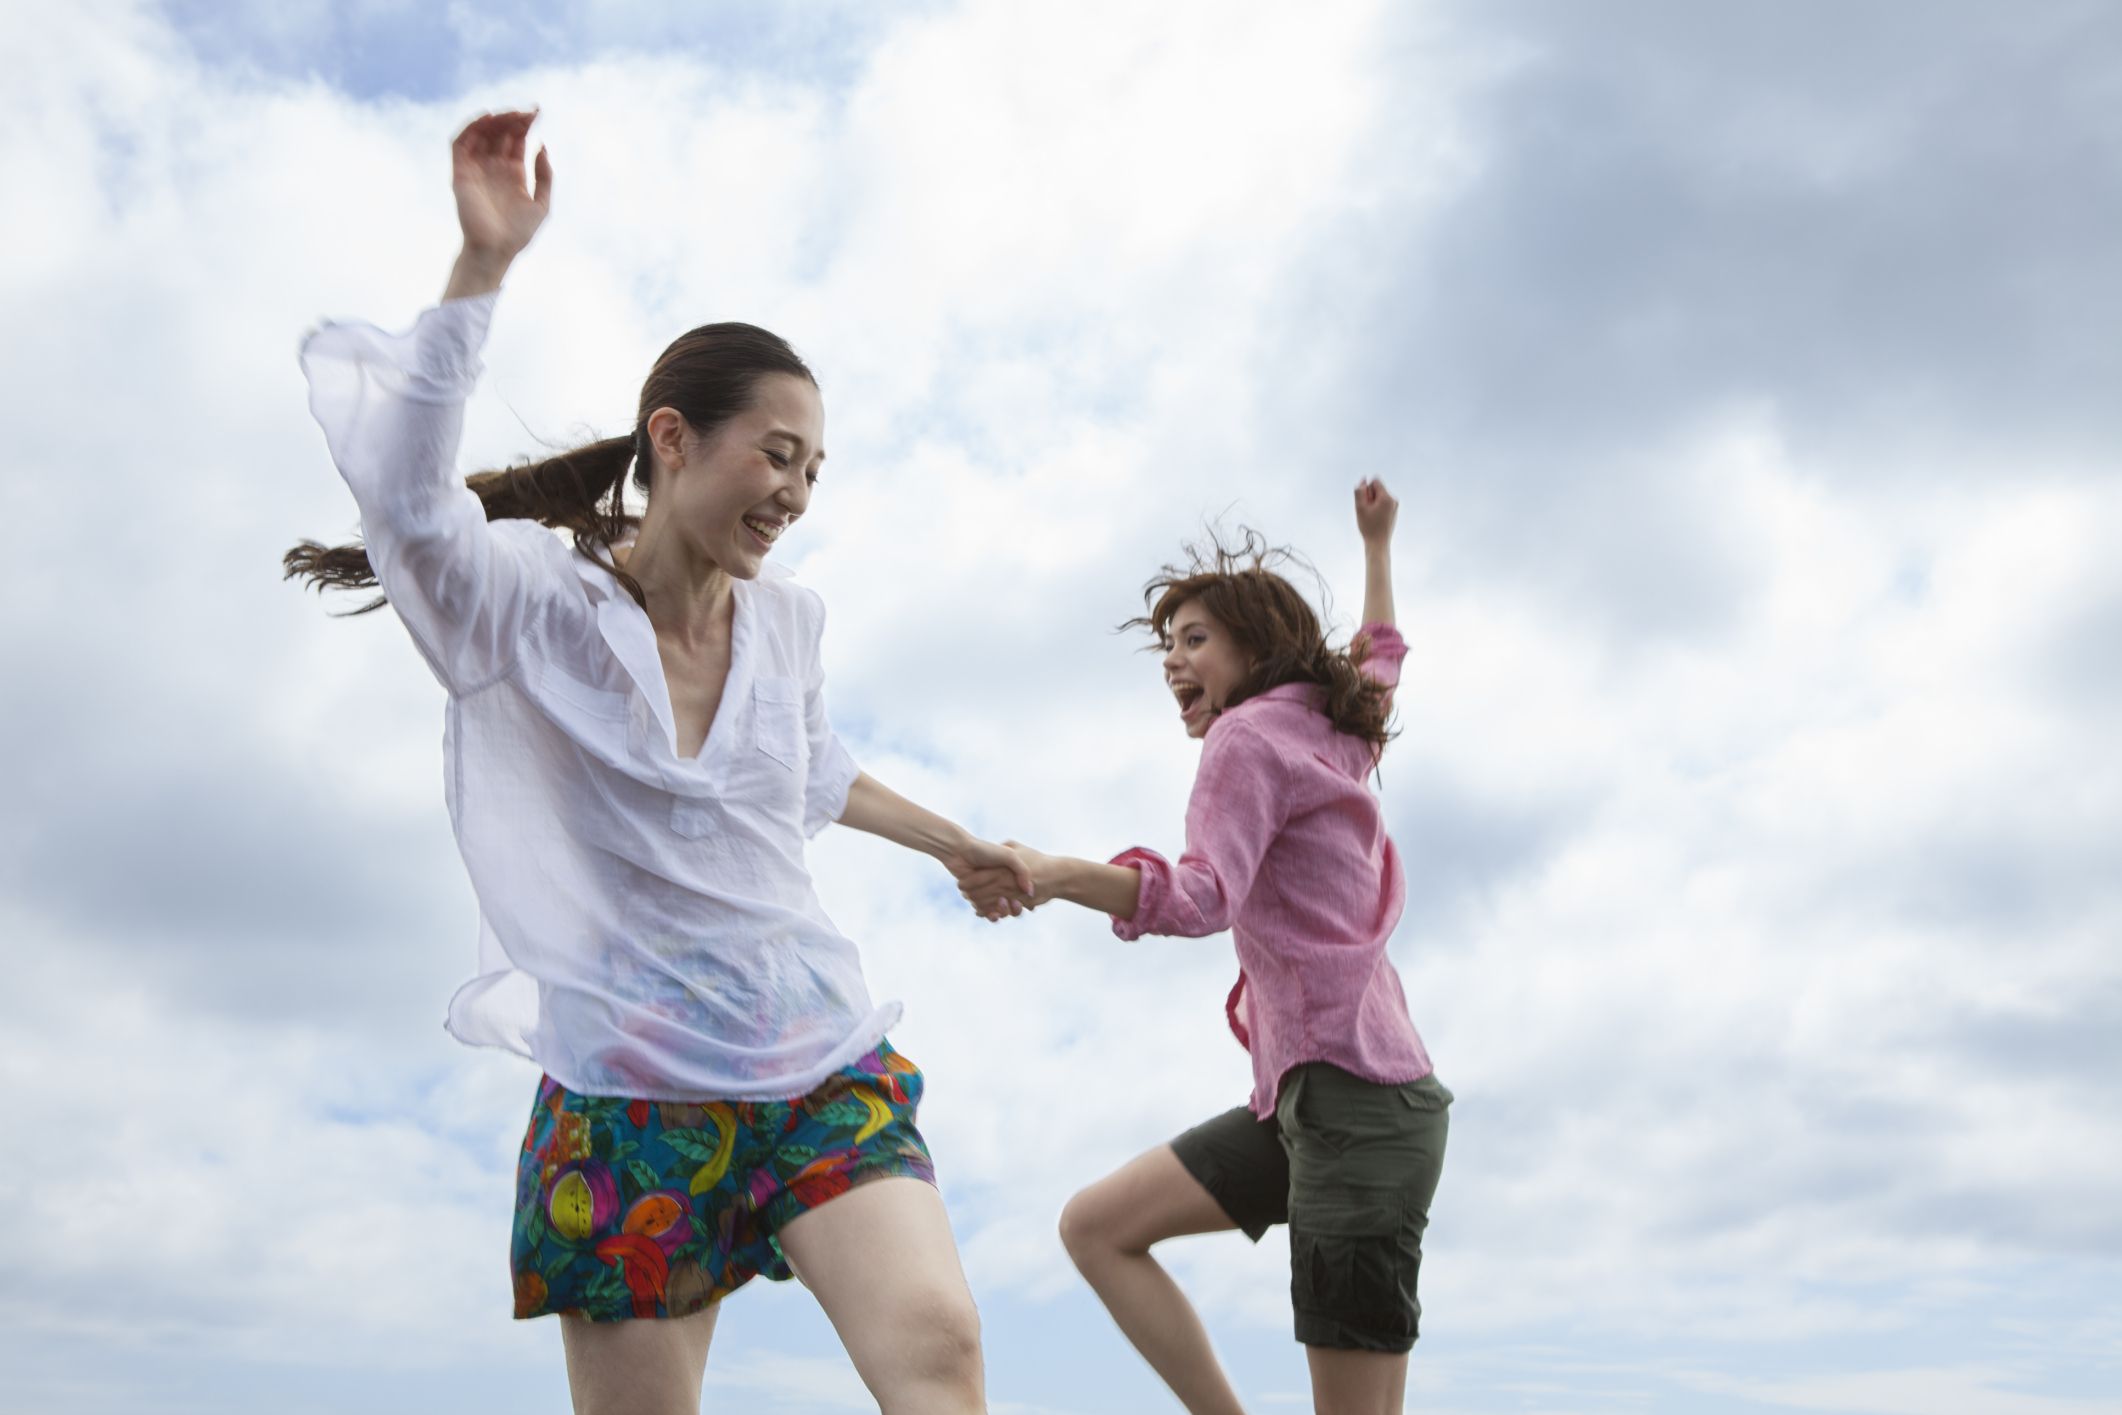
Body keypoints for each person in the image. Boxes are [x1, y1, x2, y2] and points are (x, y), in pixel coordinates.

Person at [285, 111, 1024, 1415]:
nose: (796, 491)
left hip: (809, 1051)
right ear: (672, 437)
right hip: (629, 1086)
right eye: (776, 453)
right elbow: (406, 508)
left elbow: (814, 774)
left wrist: (960, 843)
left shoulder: (787, 622)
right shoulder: (528, 611)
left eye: (814, 469)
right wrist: (484, 264)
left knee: (939, 1346)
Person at [960, 482, 1448, 1415]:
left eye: (1195, 641)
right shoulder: (1337, 727)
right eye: (1168, 644)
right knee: (1099, 1226)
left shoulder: (1246, 739)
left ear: (1256, 650)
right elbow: (1380, 657)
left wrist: (1051, 870)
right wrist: (1379, 542)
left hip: (1354, 1110)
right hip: (1315, 1103)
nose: (1173, 661)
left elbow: (1201, 896)